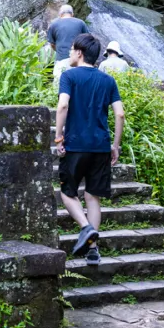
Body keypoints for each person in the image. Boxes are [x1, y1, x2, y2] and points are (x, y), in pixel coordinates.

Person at [55, 33, 125, 266]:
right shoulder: (108, 81)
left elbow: (63, 104)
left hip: (75, 145)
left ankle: (86, 229)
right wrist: (115, 145)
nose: (69, 52)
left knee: (67, 193)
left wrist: (57, 137)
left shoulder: (69, 76)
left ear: (79, 52)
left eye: (72, 48)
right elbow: (120, 113)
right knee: (92, 196)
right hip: (100, 147)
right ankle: (93, 250)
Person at [46, 4, 88, 89]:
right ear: (72, 14)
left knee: (59, 86)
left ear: (60, 14)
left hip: (61, 60)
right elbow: (87, 41)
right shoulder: (80, 23)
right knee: (77, 87)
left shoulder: (54, 25)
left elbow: (52, 44)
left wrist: (58, 50)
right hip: (78, 61)